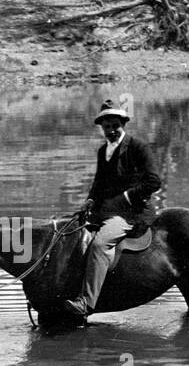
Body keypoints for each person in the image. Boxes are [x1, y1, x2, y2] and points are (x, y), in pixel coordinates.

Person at [62, 100, 162, 317]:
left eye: (115, 125)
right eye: (107, 127)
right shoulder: (102, 151)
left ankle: (86, 303)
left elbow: (154, 182)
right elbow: (99, 183)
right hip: (104, 211)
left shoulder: (138, 148)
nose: (111, 131)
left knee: (99, 244)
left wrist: (127, 196)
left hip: (132, 214)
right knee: (67, 234)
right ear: (102, 128)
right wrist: (89, 200)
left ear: (123, 124)